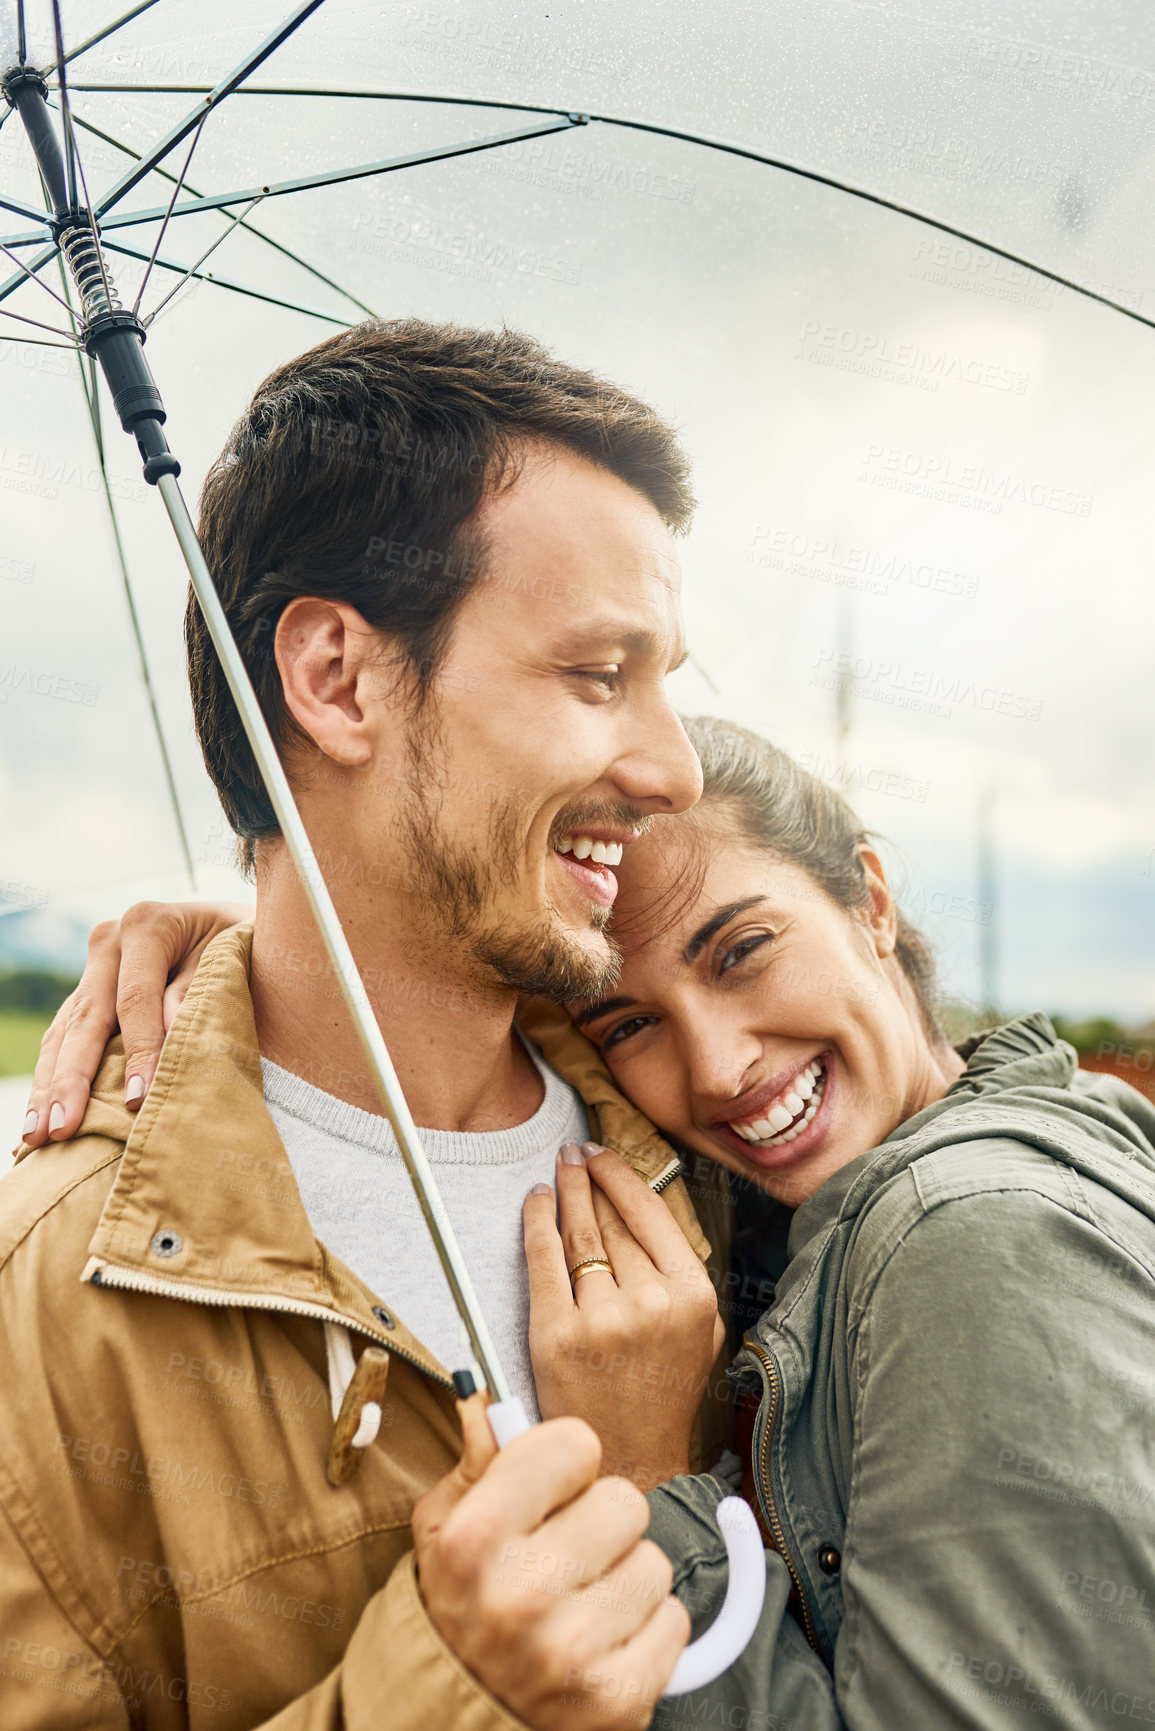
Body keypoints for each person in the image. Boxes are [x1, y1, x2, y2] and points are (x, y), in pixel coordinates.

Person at [66, 716, 1155, 1727]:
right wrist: (268, 955)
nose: (721, 1067)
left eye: (742, 952)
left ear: (872, 900)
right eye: (632, 1021)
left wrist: (642, 1489)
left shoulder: (973, 1237)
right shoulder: (909, 1168)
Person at [0, 318, 730, 1730]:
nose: (671, 767)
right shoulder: (50, 1300)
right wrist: (441, 1689)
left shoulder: (707, 1133)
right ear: (336, 678)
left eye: (666, 682)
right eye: (596, 675)